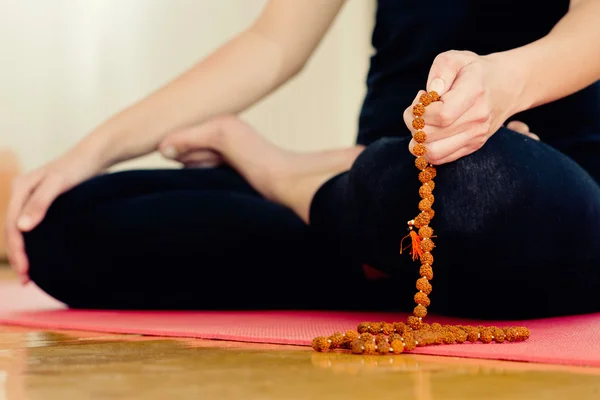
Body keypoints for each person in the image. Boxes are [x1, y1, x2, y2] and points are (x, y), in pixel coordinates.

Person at [4, 0, 600, 319]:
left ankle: (281, 171)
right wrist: (89, 152)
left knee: (481, 183)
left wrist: (505, 86)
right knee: (61, 225)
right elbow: (273, 43)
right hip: (385, 181)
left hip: (543, 180)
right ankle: (367, 230)